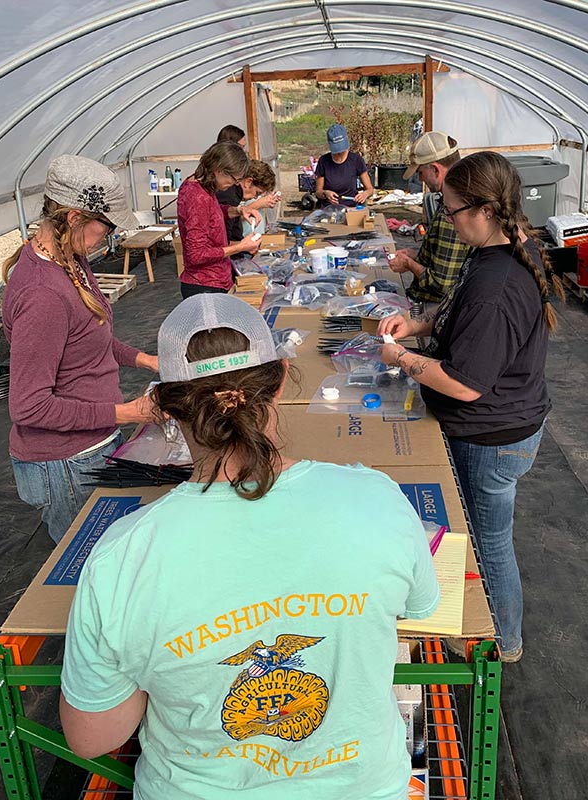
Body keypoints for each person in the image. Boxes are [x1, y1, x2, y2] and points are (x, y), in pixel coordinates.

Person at [60, 294, 440, 800]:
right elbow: (418, 608)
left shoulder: (121, 556)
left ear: (165, 405)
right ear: (281, 379)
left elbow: (93, 738)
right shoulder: (377, 500)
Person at [379, 151, 565, 662]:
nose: (447, 219)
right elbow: (460, 311)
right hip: (504, 423)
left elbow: (464, 384)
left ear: (484, 208)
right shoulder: (498, 252)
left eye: (452, 209)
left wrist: (403, 358)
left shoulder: (497, 286)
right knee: (485, 535)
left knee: (489, 542)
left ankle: (503, 641)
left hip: (492, 437)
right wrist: (420, 326)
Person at [1, 154, 159, 544]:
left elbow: (91, 337)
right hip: (68, 463)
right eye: (104, 228)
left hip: (90, 444)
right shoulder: (43, 295)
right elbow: (29, 406)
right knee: (85, 564)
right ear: (74, 218)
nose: (108, 237)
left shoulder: (70, 258)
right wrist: (128, 412)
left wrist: (146, 360)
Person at [392, 132, 472, 306]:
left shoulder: (452, 214)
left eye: (420, 172)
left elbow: (441, 284)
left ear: (435, 169)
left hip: (437, 309)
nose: (420, 178)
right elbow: (445, 261)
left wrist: (409, 264)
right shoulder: (450, 200)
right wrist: (416, 256)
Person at [177, 142, 261, 298]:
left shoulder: (200, 187)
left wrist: (238, 210)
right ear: (219, 170)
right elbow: (196, 254)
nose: (233, 185)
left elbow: (210, 213)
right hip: (205, 287)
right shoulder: (197, 197)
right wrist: (240, 247)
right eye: (234, 180)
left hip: (215, 281)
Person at [217, 159, 280, 244]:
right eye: (257, 193)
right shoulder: (230, 197)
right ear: (248, 182)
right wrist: (245, 247)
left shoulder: (234, 195)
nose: (255, 197)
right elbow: (224, 242)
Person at [315, 123, 374, 207]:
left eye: (341, 148)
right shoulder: (323, 161)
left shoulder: (356, 160)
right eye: (336, 149)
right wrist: (325, 193)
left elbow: (370, 189)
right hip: (330, 208)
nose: (339, 152)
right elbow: (318, 192)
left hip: (351, 206)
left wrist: (365, 194)